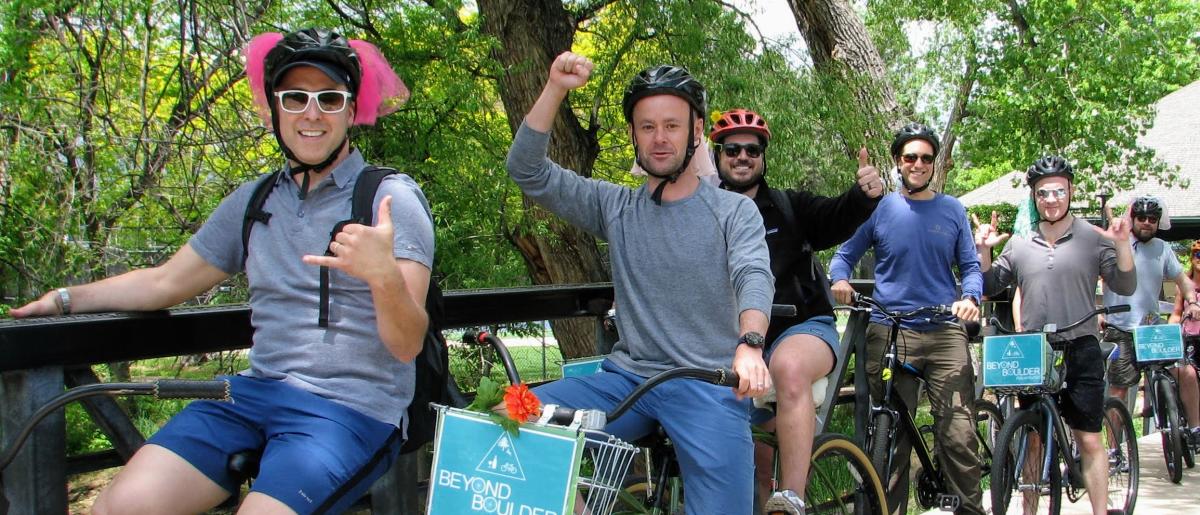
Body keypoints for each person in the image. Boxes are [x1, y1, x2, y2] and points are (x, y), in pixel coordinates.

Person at [10, 28, 431, 514]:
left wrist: (383, 276)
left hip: (349, 412)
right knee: (117, 506)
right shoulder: (254, 201)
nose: (311, 113)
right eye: (295, 98)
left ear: (351, 109)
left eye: (329, 99)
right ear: (274, 108)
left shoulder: (390, 199)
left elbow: (406, 344)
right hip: (252, 394)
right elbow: (165, 282)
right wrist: (67, 299)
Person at [504, 52, 775, 515]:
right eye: (647, 126)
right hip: (626, 382)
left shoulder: (733, 211)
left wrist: (750, 343)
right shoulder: (615, 207)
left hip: (706, 382)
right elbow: (527, 171)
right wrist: (554, 88)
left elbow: (753, 273)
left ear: (696, 131)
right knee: (510, 420)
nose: (660, 138)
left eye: (672, 125)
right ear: (632, 134)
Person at [706, 108, 883, 514]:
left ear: (763, 157)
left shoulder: (790, 207)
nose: (742, 156)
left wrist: (863, 196)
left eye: (752, 149)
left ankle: (792, 499)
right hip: (733, 339)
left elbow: (835, 217)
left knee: (787, 366)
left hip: (802, 329)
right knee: (752, 457)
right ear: (718, 155)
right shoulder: (702, 212)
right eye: (732, 149)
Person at [829, 123, 985, 515]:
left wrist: (970, 297)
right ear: (899, 162)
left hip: (944, 329)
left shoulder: (952, 210)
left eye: (926, 158)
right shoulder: (880, 209)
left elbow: (970, 266)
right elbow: (843, 256)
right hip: (890, 330)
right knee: (889, 434)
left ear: (934, 164)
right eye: (910, 157)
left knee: (958, 432)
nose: (918, 164)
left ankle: (969, 509)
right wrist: (841, 280)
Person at [974, 155, 1136, 515]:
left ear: (1070, 192)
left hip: (1081, 344)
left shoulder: (1093, 239)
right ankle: (1029, 509)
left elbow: (1125, 285)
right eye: (1043, 192)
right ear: (1034, 196)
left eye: (1058, 191)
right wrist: (984, 251)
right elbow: (988, 286)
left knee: (1089, 437)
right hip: (1034, 350)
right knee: (1031, 436)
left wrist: (1122, 245)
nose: (1051, 199)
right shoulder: (1019, 244)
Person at [1102, 196, 1200, 441]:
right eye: (1142, 218)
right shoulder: (1116, 243)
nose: (1147, 223)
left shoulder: (1162, 248)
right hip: (1120, 328)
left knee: (1186, 372)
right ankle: (1115, 450)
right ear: (1132, 218)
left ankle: (1196, 429)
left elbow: (1183, 281)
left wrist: (1193, 301)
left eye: (1153, 219)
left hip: (1151, 327)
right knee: (1118, 391)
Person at [1168, 240, 1200, 448]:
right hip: (1190, 339)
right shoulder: (1185, 285)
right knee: (1187, 374)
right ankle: (1193, 427)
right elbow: (1176, 313)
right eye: (1198, 255)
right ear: (1192, 258)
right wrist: (1172, 330)